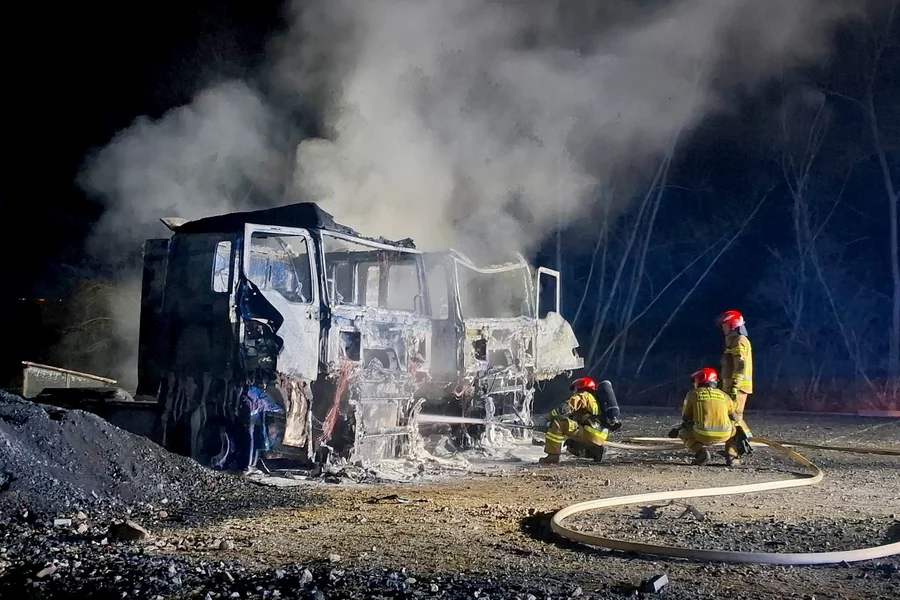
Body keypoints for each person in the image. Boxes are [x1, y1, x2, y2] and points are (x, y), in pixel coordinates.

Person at [539, 377, 621, 464]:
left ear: (580, 387)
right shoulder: (595, 400)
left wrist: (548, 418)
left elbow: (565, 408)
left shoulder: (584, 395)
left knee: (558, 424)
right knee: (569, 437)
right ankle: (593, 451)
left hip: (590, 432)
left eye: (574, 389)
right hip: (599, 436)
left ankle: (552, 457)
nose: (574, 392)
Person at [668, 368, 736, 466]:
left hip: (702, 433)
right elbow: (734, 416)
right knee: (736, 429)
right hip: (725, 433)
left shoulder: (692, 394)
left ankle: (701, 452)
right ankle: (732, 455)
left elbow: (686, 417)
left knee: (683, 432)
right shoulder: (725, 396)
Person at [718, 309, 754, 465]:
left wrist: (734, 385)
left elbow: (740, 364)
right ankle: (731, 450)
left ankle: (734, 453)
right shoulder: (733, 341)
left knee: (734, 418)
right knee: (730, 418)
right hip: (732, 387)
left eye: (725, 324)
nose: (722, 328)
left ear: (733, 324)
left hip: (737, 388)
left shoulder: (739, 340)